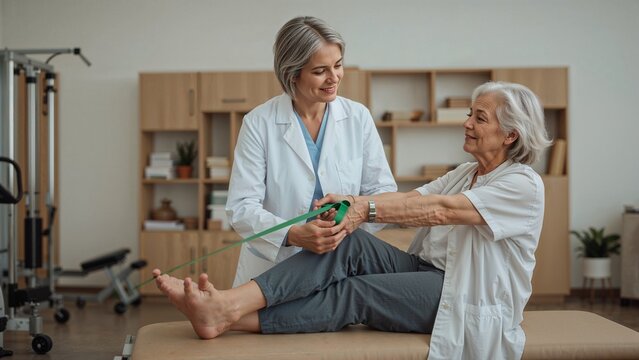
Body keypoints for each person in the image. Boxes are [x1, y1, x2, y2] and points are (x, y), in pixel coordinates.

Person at [154, 81, 551, 360]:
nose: (467, 122)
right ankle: (227, 305)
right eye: (469, 114)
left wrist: (367, 209)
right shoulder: (467, 171)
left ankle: (232, 319)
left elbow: (440, 211)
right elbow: (412, 198)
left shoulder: (522, 185)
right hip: (430, 272)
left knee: (359, 291)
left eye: (479, 118)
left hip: (463, 295)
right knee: (350, 240)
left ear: (510, 135)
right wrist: (353, 202)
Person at [226, 16, 396, 287]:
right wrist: (292, 234)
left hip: (341, 262)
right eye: (320, 71)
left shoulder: (357, 117)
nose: (334, 78)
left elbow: (383, 192)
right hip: (274, 264)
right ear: (292, 73)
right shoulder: (259, 123)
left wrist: (348, 219)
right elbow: (241, 207)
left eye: (338, 65)